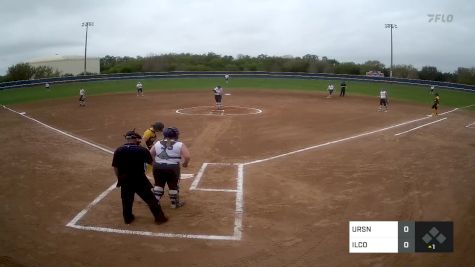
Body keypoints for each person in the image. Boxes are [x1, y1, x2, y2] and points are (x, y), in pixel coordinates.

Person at [112, 130, 168, 225]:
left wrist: (120, 178)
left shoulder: (119, 150)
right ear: (136, 139)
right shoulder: (142, 150)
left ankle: (128, 218)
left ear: (127, 139)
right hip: (139, 179)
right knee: (151, 199)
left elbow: (115, 167)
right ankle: (160, 218)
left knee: (126, 200)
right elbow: (151, 163)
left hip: (125, 179)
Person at [150, 127, 191, 209]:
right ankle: (174, 204)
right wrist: (185, 164)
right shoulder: (180, 144)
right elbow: (187, 156)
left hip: (158, 167)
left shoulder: (157, 143)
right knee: (173, 185)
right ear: (175, 135)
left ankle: (155, 202)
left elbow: (150, 153)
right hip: (172, 168)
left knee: (158, 184)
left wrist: (155, 162)